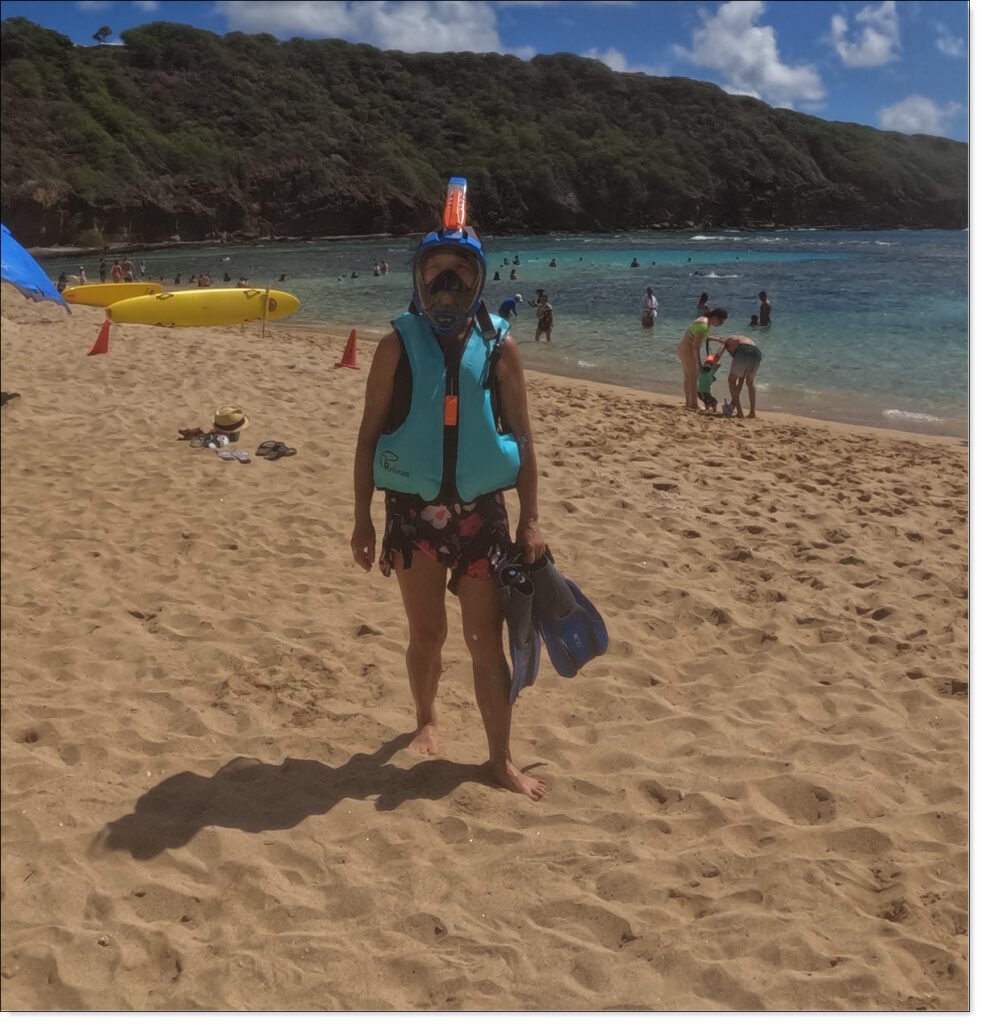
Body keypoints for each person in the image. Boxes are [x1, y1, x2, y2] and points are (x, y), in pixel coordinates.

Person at [350, 203, 548, 800]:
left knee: (485, 642)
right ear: (416, 278)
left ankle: (499, 760)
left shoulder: (500, 350)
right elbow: (366, 438)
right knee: (427, 633)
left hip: (482, 514)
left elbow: (525, 441)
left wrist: (532, 520)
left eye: (459, 275)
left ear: (479, 281)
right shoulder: (394, 349)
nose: (446, 286)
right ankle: (427, 718)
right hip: (414, 516)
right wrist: (361, 517)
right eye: (435, 273)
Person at [677, 309, 727, 411]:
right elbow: (696, 347)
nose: (721, 324)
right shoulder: (704, 326)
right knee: (693, 378)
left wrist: (716, 339)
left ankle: (689, 403)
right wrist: (699, 365)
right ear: (715, 317)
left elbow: (703, 337)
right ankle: (694, 405)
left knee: (688, 378)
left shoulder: (703, 321)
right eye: (721, 321)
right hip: (688, 350)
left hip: (682, 349)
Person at [720, 334, 763, 418]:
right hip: (757, 352)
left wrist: (709, 367)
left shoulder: (725, 342)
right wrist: (733, 404)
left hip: (743, 349)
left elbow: (718, 354)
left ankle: (740, 413)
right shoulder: (736, 340)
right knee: (750, 382)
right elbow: (740, 382)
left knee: (731, 380)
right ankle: (752, 413)